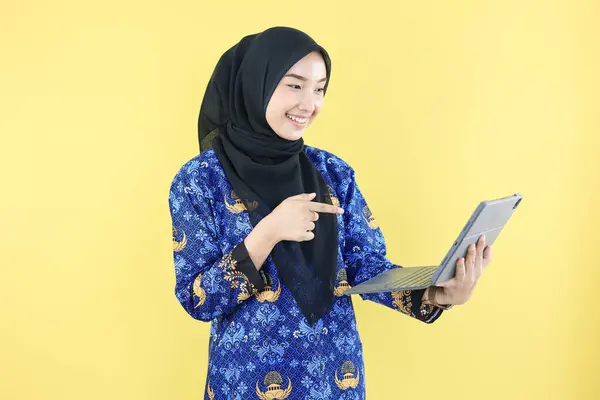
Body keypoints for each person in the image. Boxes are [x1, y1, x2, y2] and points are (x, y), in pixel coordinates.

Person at [168, 26, 493, 400]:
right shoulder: (199, 180)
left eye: (319, 88)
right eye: (294, 85)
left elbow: (365, 267)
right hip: (244, 385)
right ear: (256, 83)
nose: (310, 103)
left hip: (336, 380)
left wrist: (437, 293)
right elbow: (198, 298)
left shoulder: (333, 173)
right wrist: (267, 232)